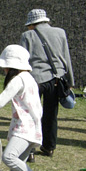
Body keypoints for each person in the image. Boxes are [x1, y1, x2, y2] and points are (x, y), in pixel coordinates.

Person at [20, 9, 74, 158]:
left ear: (32, 24)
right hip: (56, 79)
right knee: (51, 114)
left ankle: (29, 150)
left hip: (35, 79)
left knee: (31, 115)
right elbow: (66, 57)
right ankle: (49, 147)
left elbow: (23, 59)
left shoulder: (27, 35)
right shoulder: (60, 33)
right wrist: (70, 80)